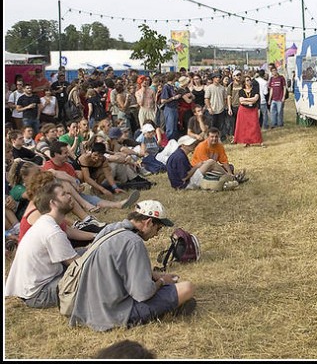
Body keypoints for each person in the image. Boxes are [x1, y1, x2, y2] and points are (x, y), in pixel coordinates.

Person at [68, 200, 196, 331]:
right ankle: (169, 309)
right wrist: (163, 281)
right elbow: (143, 294)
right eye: (158, 228)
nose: (157, 234)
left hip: (86, 306)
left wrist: (155, 275)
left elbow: (117, 266)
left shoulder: (110, 229)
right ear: (149, 222)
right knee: (187, 288)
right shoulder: (133, 242)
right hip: (111, 315)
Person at [4, 181, 78, 308]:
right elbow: (78, 265)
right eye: (63, 194)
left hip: (34, 286)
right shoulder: (52, 231)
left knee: (86, 254)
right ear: (53, 203)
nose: (69, 195)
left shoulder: (46, 221)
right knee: (88, 276)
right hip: (39, 294)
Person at [166, 135, 233, 190]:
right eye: (190, 144)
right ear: (183, 145)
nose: (193, 145)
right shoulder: (180, 157)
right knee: (211, 162)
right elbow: (184, 177)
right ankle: (230, 177)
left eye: (193, 143)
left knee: (208, 164)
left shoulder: (177, 154)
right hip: (185, 185)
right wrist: (196, 166)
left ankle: (228, 176)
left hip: (180, 184)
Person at [233, 75, 264, 147]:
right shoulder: (241, 91)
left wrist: (247, 100)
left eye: (249, 80)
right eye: (247, 80)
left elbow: (256, 98)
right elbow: (241, 101)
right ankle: (247, 141)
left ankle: (258, 141)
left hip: (253, 110)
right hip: (244, 110)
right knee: (245, 126)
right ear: (244, 82)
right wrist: (251, 100)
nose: (249, 81)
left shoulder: (255, 89)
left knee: (255, 125)